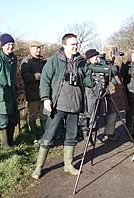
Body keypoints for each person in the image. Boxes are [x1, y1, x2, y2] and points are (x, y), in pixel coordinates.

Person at [31, 33, 90, 179]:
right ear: (64, 45)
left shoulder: (81, 62)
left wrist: (98, 81)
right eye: (72, 44)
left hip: (75, 105)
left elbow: (88, 80)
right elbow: (44, 80)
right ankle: (39, 167)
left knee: (71, 136)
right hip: (57, 105)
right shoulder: (54, 61)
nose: (75, 46)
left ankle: (68, 165)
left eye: (76, 44)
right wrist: (46, 99)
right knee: (48, 136)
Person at [20, 41, 47, 139]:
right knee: (33, 116)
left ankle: (45, 135)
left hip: (44, 93)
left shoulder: (44, 61)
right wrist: (39, 76)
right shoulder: (26, 61)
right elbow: (26, 77)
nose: (38, 50)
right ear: (30, 49)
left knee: (44, 115)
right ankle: (33, 136)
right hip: (32, 94)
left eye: (39, 48)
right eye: (36, 48)